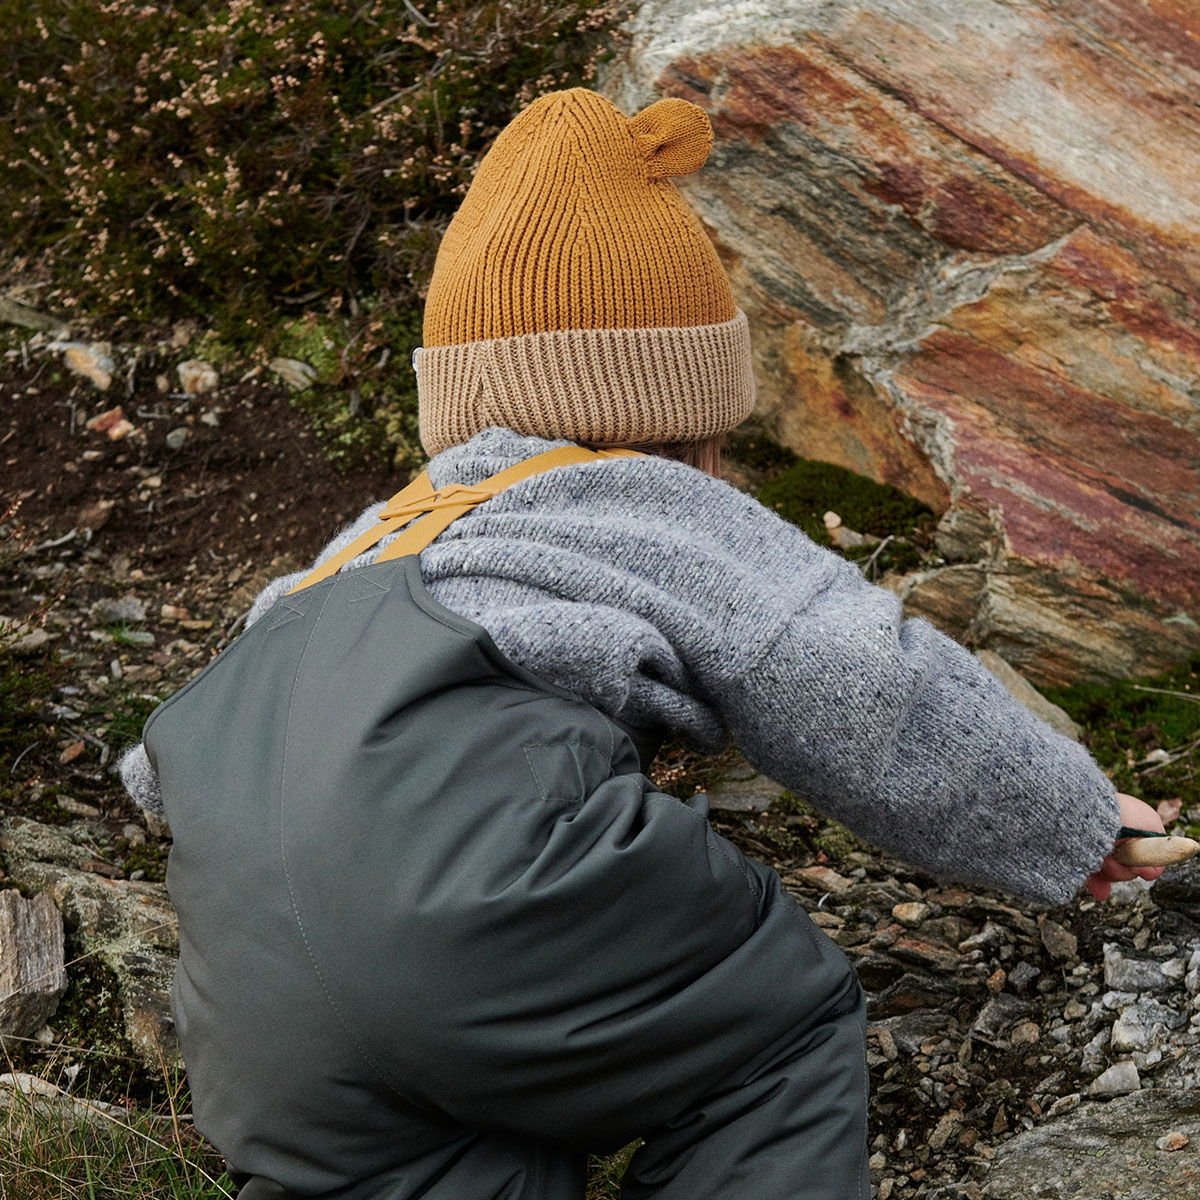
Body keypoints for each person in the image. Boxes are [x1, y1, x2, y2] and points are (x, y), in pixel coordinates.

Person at [118, 87, 1164, 1200]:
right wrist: (1065, 819)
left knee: (460, 1151)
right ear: (669, 414)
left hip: (251, 995)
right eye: (715, 439)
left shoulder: (347, 555)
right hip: (489, 901)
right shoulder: (638, 501)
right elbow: (857, 674)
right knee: (773, 1035)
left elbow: (159, 774)